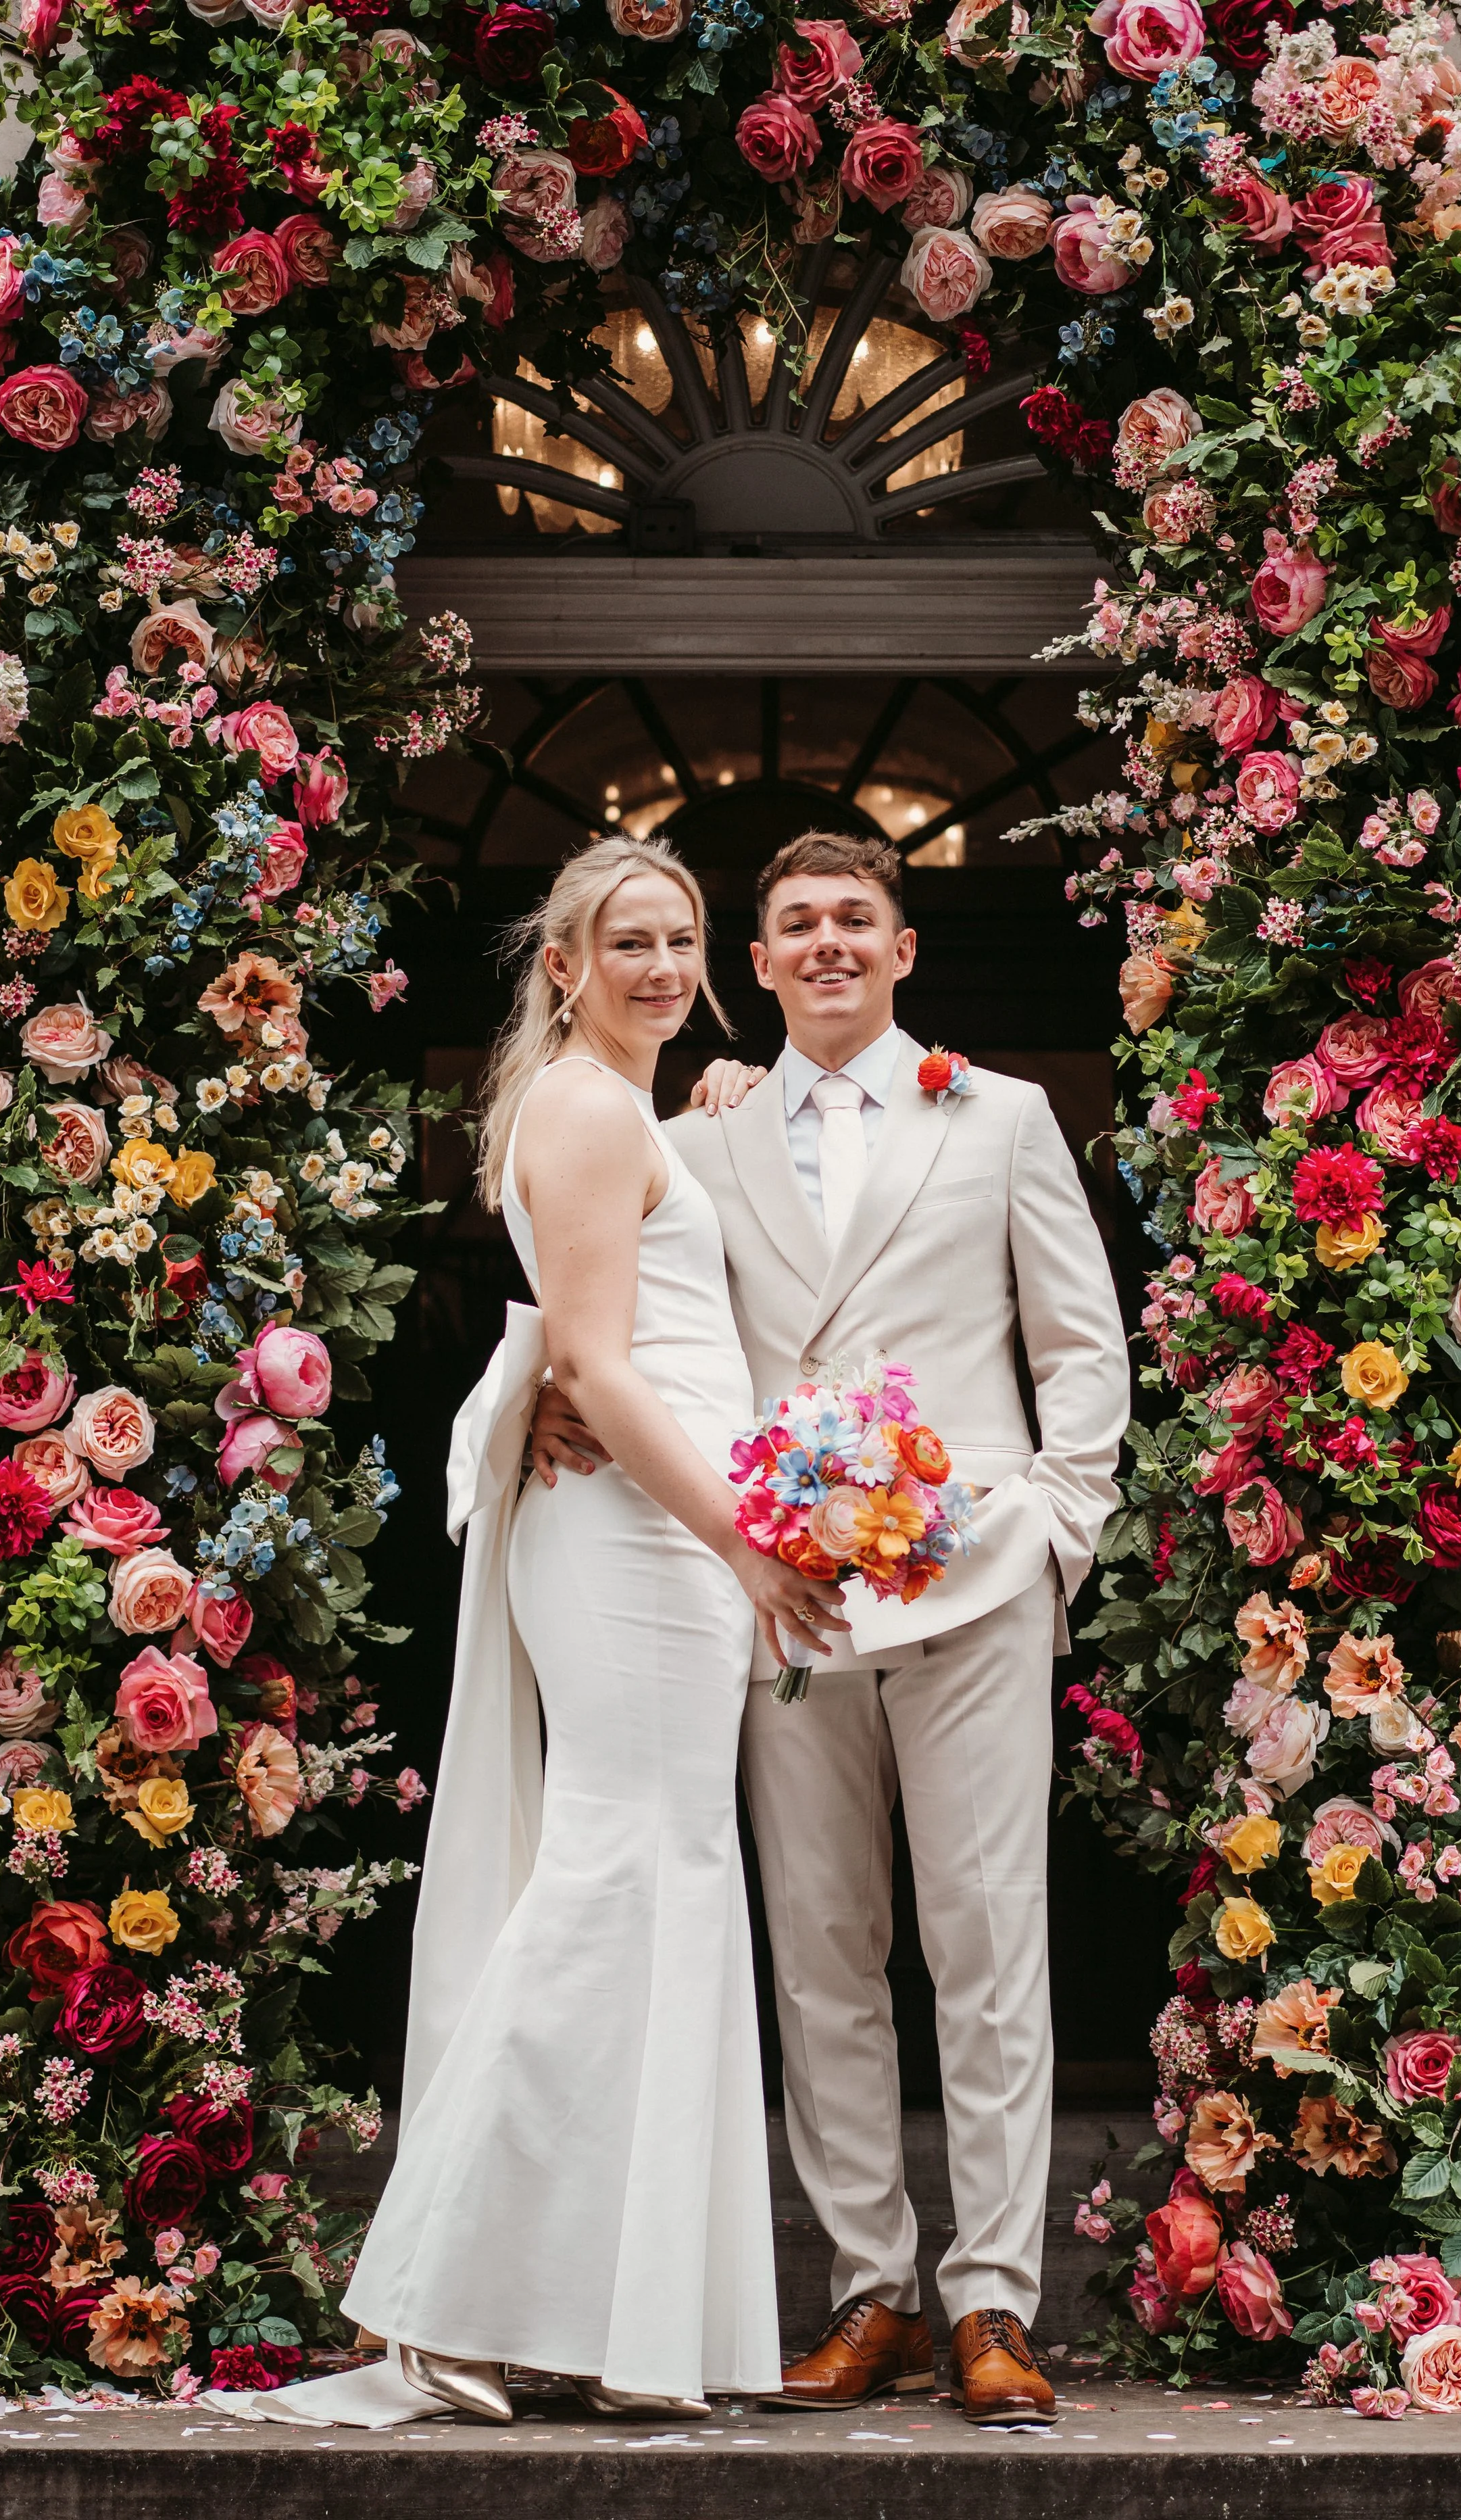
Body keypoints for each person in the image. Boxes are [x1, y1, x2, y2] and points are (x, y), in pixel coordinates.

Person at [213, 834, 845, 2432]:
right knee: (610, 1876)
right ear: (561, 965)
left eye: (679, 938)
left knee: (656, 1879)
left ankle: (601, 2310)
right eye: (623, 941)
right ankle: (440, 2301)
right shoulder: (575, 1103)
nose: (657, 965)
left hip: (666, 1532)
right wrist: (754, 1545)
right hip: (645, 1539)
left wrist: (707, 1113)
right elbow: (601, 1365)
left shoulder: (632, 1108)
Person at [533, 829, 1130, 2427]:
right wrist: (544, 1408)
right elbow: (620, 1322)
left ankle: (992, 2299)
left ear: (903, 947)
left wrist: (1057, 1529)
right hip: (783, 1599)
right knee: (819, 1953)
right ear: (765, 955)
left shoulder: (999, 1115)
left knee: (988, 1944)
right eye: (793, 923)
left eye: (852, 919)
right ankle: (866, 2289)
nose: (823, 944)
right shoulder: (694, 1130)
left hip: (977, 1583)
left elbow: (1081, 1340)